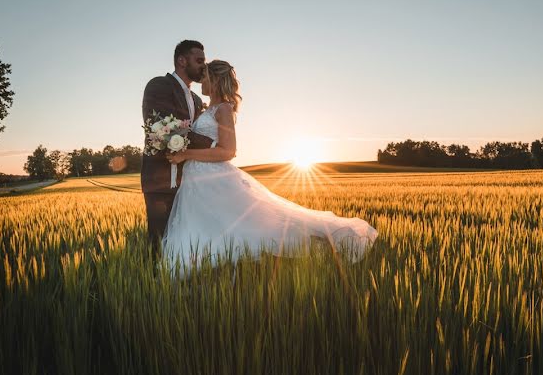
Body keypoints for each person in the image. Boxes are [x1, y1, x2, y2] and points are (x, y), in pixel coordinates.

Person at [162, 60, 377, 272]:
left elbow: (228, 151)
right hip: (197, 176)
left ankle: (318, 244)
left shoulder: (224, 109)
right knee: (207, 223)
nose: (201, 81)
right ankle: (198, 264)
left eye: (206, 77)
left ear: (216, 80)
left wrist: (186, 153)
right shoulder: (208, 108)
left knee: (253, 226)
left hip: (213, 176)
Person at [140, 40, 214, 249]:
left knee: (187, 242)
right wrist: (213, 144)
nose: (203, 66)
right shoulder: (159, 85)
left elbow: (193, 132)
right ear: (182, 60)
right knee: (159, 242)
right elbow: (158, 128)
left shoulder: (197, 100)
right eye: (199, 60)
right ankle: (155, 281)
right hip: (160, 181)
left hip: (191, 182)